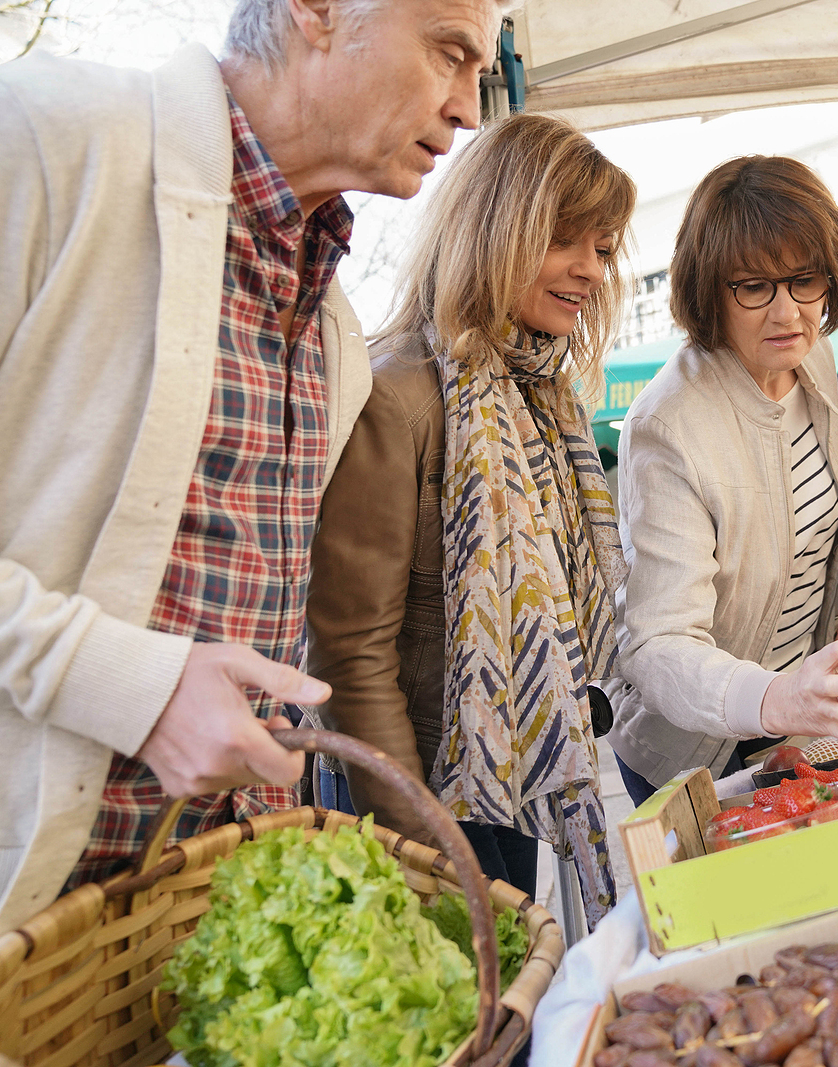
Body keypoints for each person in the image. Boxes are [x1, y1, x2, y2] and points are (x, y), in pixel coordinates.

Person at [0, 0, 496, 953]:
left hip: (187, 935)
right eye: (449, 51)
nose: (468, 106)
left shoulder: (336, 335)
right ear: (319, 12)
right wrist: (134, 686)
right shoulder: (36, 139)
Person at [305, 114, 633, 927]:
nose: (590, 270)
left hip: (503, 777)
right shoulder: (398, 395)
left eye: (603, 247)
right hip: (410, 793)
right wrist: (431, 841)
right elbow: (351, 657)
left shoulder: (540, 391)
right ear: (499, 227)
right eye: (570, 241)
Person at [608, 156, 838, 806]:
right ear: (710, 289)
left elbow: (799, 544)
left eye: (804, 280)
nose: (787, 312)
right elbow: (658, 643)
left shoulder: (815, 358)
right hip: (693, 746)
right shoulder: (669, 425)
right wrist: (775, 696)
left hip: (795, 724)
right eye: (753, 287)